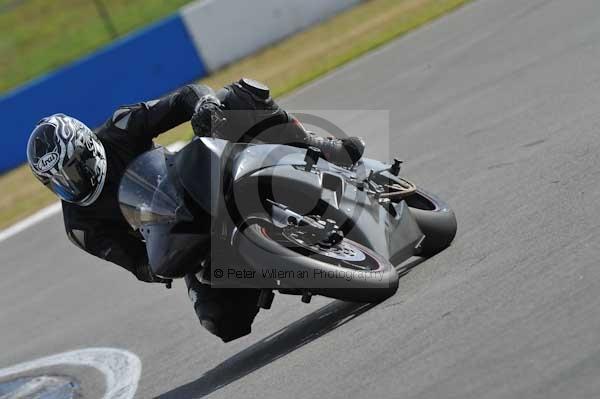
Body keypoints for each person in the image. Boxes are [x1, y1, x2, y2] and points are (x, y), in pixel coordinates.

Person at [26, 78, 365, 342]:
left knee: (236, 98)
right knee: (222, 322)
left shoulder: (120, 127)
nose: (70, 184)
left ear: (86, 149)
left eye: (71, 171)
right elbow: (137, 264)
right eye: (57, 181)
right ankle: (271, 270)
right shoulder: (80, 226)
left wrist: (204, 104)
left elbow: (186, 96)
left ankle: (320, 147)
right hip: (181, 233)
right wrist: (160, 265)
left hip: (192, 175)